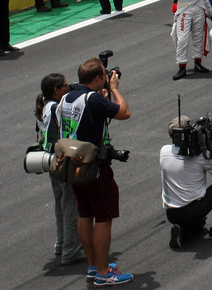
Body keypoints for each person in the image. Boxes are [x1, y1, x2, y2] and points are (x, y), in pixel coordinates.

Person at [58, 56, 133, 286]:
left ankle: (93, 266)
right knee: (103, 217)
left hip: (73, 164)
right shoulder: (93, 99)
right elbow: (123, 112)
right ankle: (103, 272)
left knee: (85, 214)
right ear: (98, 78)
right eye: (105, 75)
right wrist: (114, 89)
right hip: (94, 165)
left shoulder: (67, 97)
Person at [160, 114, 212, 249]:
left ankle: (183, 232)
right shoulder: (201, 156)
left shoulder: (164, 151)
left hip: (172, 213)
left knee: (199, 226)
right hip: (193, 210)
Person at [36, 73, 84, 266]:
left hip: (49, 161)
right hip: (61, 161)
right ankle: (71, 251)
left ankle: (62, 243)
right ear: (56, 90)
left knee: (60, 204)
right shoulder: (56, 107)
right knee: (70, 204)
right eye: (64, 86)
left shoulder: (43, 108)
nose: (68, 88)